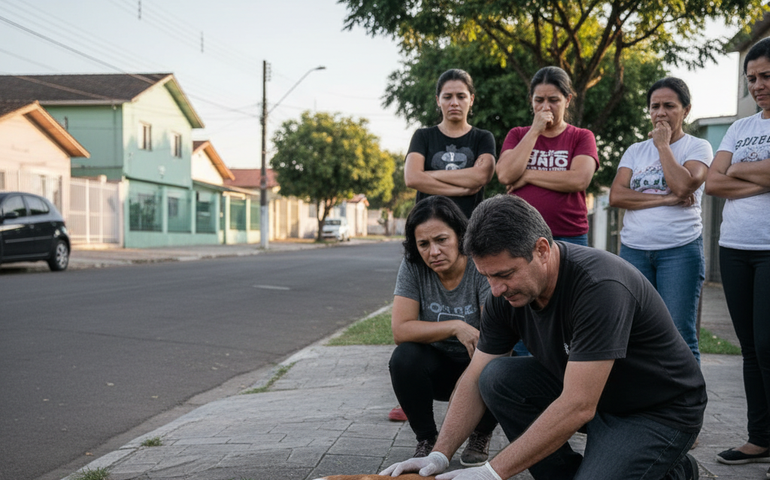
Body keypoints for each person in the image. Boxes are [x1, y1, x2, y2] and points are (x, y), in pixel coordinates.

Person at [381, 194, 705, 480]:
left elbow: (578, 405)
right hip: (594, 394)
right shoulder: (504, 295)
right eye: (486, 276)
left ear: (542, 250)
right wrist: (439, 455)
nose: (496, 289)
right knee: (496, 376)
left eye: (505, 274)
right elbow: (474, 377)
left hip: (655, 411)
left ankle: (676, 472)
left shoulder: (600, 288)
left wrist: (492, 472)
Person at [388, 195, 498, 467]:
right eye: (423, 244)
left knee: (499, 364)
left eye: (441, 240)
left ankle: (480, 433)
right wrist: (456, 326)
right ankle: (426, 439)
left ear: (460, 236)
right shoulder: (413, 266)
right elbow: (401, 330)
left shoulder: (480, 264)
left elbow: (494, 333)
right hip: (437, 369)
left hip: (478, 362)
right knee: (404, 357)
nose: (433, 252)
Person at [609, 77, 712, 363]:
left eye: (669, 106)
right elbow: (617, 195)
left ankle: (688, 393)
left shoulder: (697, 147)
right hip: (634, 251)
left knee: (680, 334)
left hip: (679, 251)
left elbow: (683, 185)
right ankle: (648, 391)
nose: (661, 113)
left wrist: (663, 146)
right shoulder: (635, 151)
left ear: (686, 110)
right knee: (636, 333)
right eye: (655, 106)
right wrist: (665, 200)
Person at [705, 37, 770, 475]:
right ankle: (760, 437)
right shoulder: (740, 127)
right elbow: (712, 182)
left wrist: (736, 169)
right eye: (751, 79)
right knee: (749, 347)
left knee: (768, 345)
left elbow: (726, 173)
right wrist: (759, 176)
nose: (758, 85)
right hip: (734, 247)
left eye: (766, 76)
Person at [496, 66, 598, 246]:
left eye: (553, 100)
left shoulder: (581, 136)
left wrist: (527, 176)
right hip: (522, 233)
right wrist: (535, 131)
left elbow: (579, 180)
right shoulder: (518, 134)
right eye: (539, 100)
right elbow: (505, 175)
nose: (545, 107)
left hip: (569, 235)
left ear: (567, 100)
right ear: (531, 100)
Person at [404, 69, 496, 220]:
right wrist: (462, 190)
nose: (454, 103)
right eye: (447, 97)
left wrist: (428, 174)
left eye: (461, 96)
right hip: (428, 224)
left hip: (469, 227)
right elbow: (412, 178)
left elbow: (481, 176)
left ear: (471, 99)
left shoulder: (483, 138)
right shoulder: (422, 136)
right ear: (438, 100)